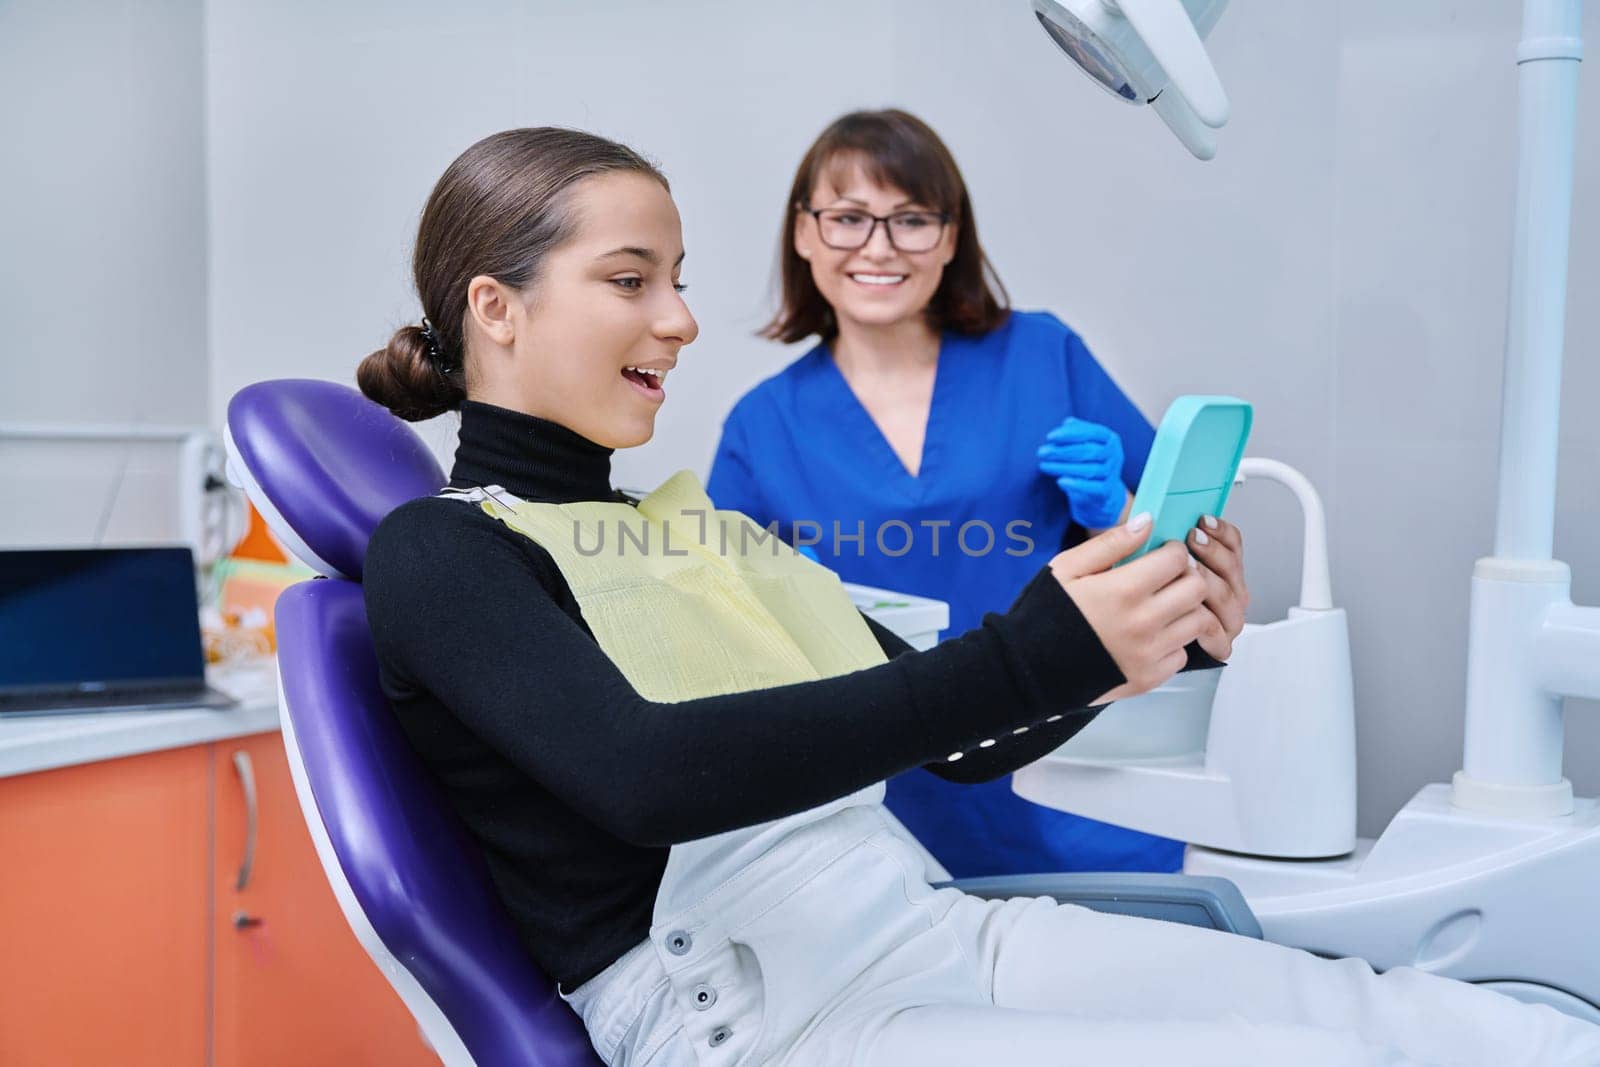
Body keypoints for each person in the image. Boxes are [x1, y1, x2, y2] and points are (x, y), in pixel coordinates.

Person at [357, 127, 1600, 1066]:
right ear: (496, 309)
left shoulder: (694, 530)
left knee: (1413, 1021)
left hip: (918, 925)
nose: (681, 319)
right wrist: (1032, 653)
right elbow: (646, 777)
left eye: (678, 277)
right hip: (764, 1014)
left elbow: (951, 741)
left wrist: (1134, 642)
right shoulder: (441, 551)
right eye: (631, 280)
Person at [707, 109, 1183, 878]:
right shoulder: (762, 425)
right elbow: (720, 635)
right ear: (803, 233)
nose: (879, 247)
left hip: (1075, 770)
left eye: (912, 220)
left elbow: (1189, 560)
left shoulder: (1044, 354)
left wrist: (1117, 515)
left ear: (951, 236)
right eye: (848, 219)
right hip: (881, 799)